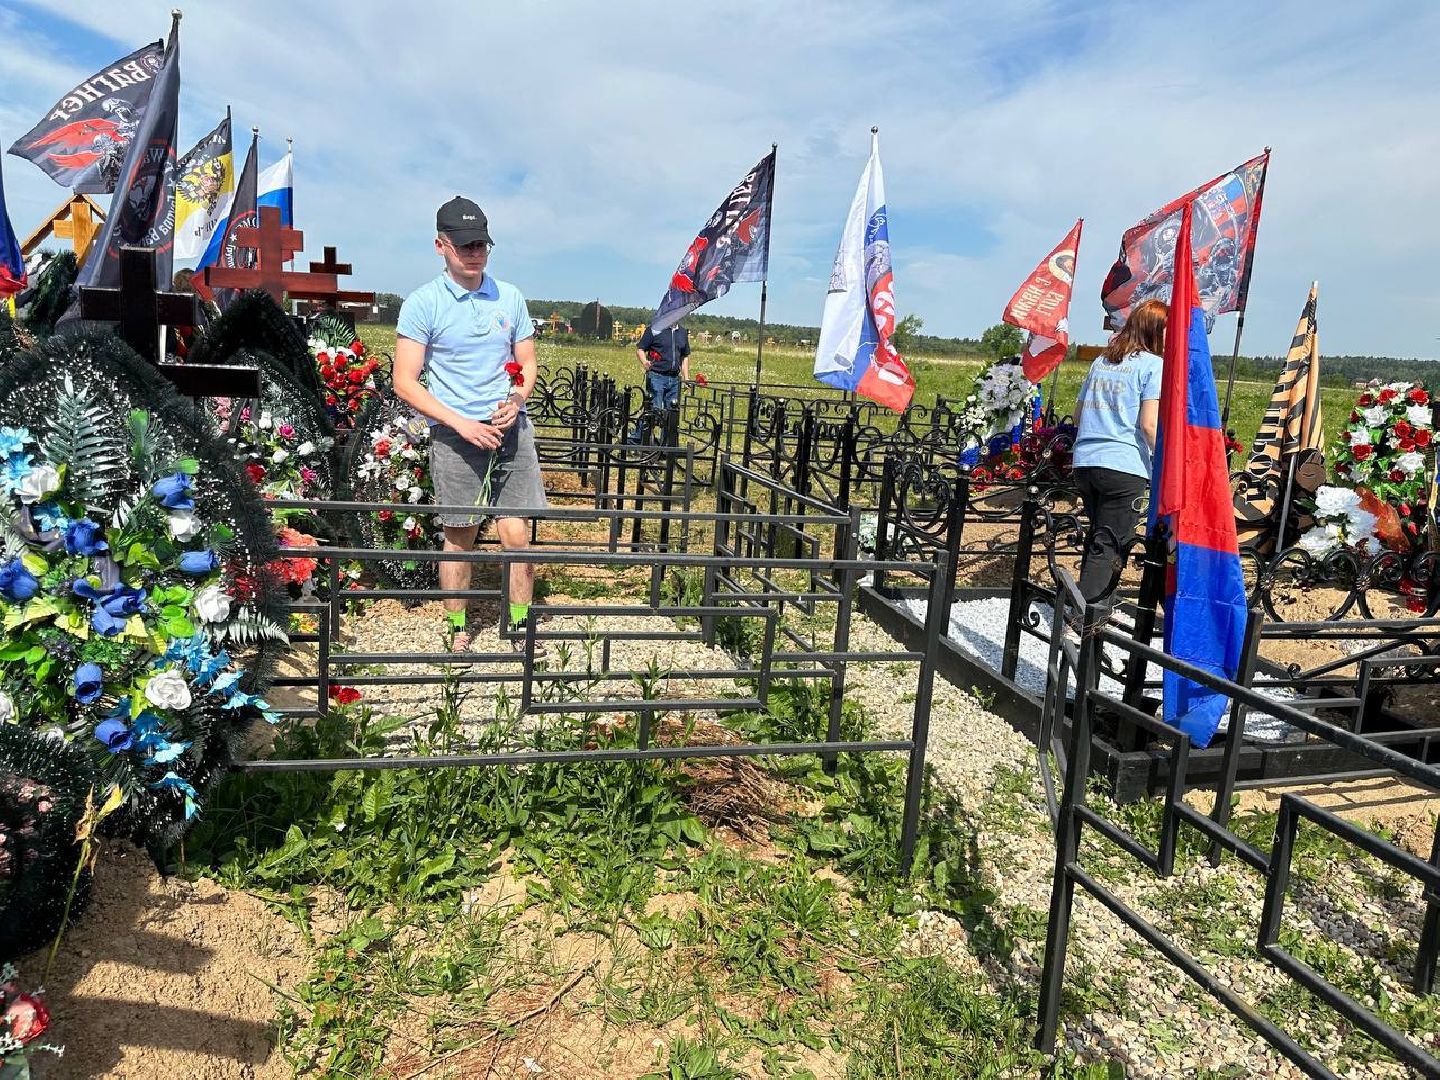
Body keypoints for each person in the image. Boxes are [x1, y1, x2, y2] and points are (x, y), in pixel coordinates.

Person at [393, 196, 545, 653]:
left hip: (509, 429)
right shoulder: (423, 303)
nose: (474, 253)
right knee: (460, 535)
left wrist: (517, 399)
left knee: (517, 535)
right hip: (456, 434)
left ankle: (519, 624)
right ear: (440, 246)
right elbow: (404, 381)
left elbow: (527, 362)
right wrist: (460, 424)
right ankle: (457, 628)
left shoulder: (510, 297)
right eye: (464, 245)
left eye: (481, 244)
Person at [1071, 296, 1165, 610]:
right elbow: (1149, 425)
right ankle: (1086, 623)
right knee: (1110, 546)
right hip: (1124, 466)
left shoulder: (1102, 361)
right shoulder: (1153, 365)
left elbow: (1077, 414)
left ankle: (1093, 609)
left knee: (1098, 539)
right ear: (1156, 331)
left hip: (1086, 461)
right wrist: (1165, 462)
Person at [629, 321, 690, 444]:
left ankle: (667, 444)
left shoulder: (682, 332)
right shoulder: (655, 330)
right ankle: (638, 439)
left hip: (674, 379)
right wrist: (645, 362)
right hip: (657, 376)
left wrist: (686, 377)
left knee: (671, 413)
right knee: (653, 410)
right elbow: (640, 349)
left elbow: (684, 356)